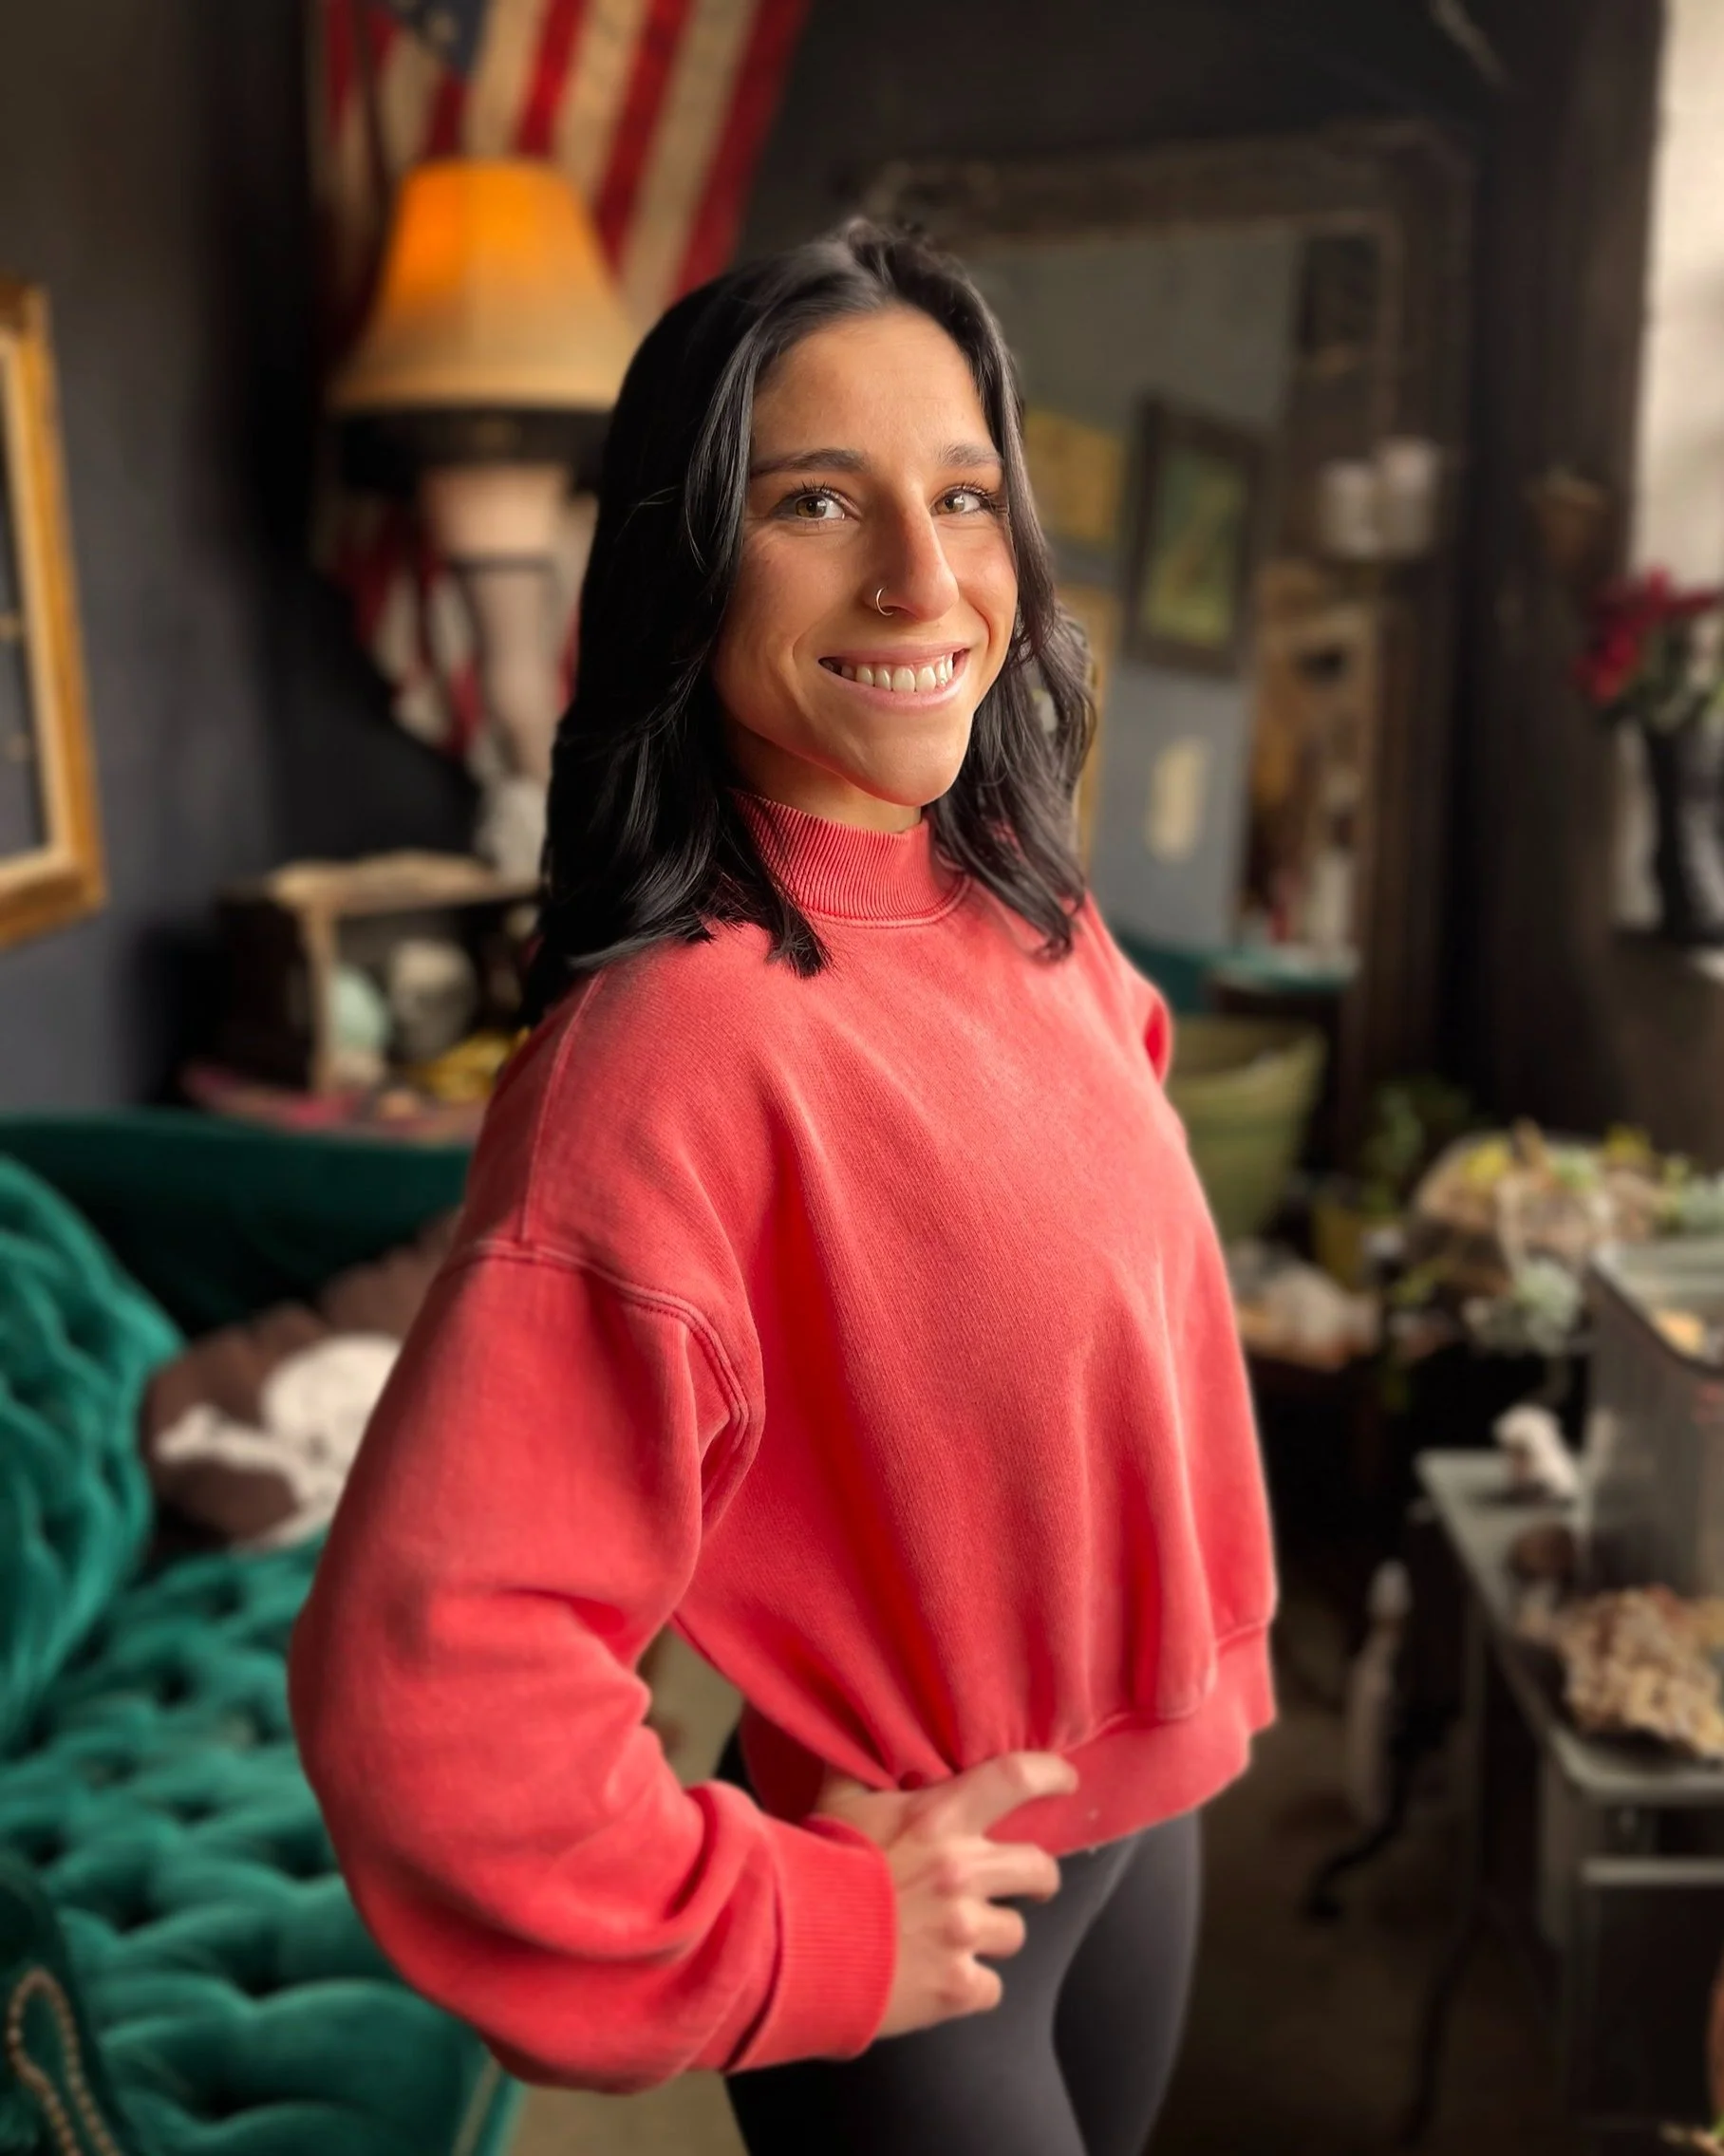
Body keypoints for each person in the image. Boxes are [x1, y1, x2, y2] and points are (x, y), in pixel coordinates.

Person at [287, 216, 1279, 2156]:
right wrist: (781, 1921)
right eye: (819, 500)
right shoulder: (670, 1050)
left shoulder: (1030, 912)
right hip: (927, 1940)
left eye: (965, 495)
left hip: (1146, 1826)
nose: (924, 575)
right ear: (689, 559)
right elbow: (428, 1691)